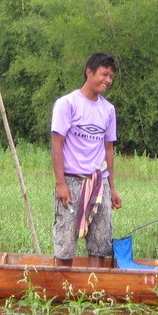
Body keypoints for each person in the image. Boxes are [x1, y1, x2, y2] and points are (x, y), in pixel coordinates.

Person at [51, 52, 122, 267]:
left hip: (99, 182)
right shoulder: (67, 104)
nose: (108, 80)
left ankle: (94, 291)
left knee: (100, 243)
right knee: (65, 243)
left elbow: (108, 148)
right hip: (71, 181)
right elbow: (57, 144)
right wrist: (61, 184)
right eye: (104, 74)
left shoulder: (108, 110)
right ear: (89, 72)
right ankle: (63, 291)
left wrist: (112, 188)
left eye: (111, 76)